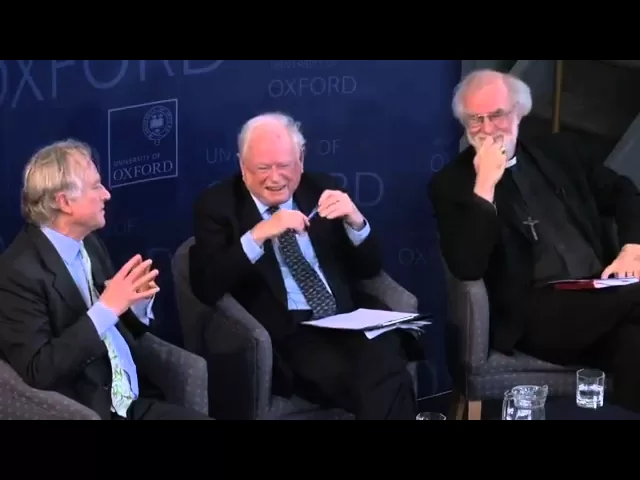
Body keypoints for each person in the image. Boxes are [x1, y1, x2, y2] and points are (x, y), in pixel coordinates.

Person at [428, 68, 640, 412]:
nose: (486, 129)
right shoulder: (451, 184)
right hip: (536, 313)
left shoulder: (559, 152)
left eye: (496, 115)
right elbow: (467, 266)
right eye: (475, 120)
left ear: (519, 112)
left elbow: (625, 192)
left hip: (602, 292)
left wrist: (633, 248)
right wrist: (484, 188)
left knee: (633, 346)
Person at [189, 112, 418, 420]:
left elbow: (369, 268)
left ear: (301, 159)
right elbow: (206, 284)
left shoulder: (321, 188)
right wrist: (258, 235)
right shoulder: (218, 206)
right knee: (383, 377)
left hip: (346, 318)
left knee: (386, 366)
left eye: (284, 166)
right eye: (262, 168)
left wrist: (356, 222)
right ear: (243, 167)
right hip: (290, 333)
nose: (275, 178)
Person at [0, 139, 212, 420]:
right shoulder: (17, 272)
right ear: (64, 202)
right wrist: (107, 308)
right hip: (86, 411)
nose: (107, 194)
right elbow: (39, 370)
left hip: (133, 400)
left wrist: (134, 303)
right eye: (96, 186)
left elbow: (117, 326)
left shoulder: (89, 243)